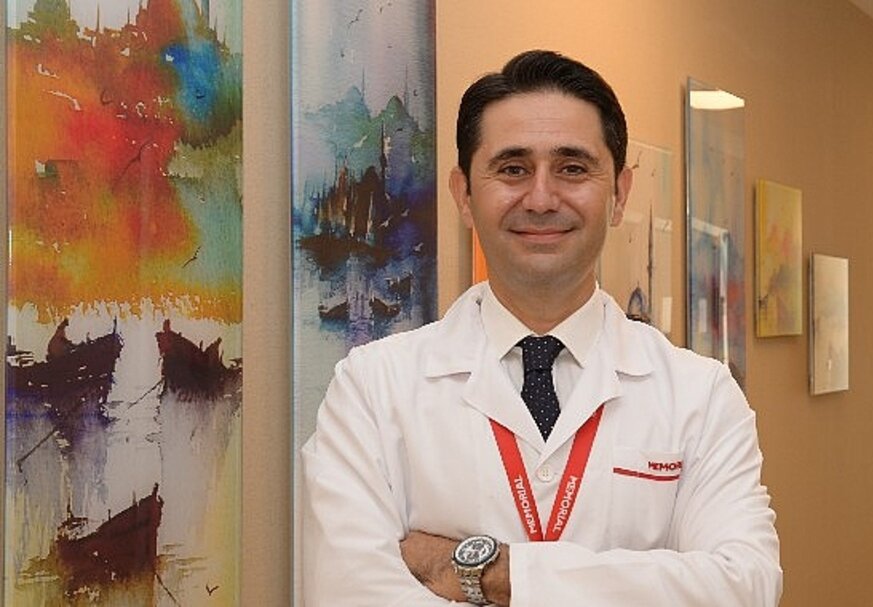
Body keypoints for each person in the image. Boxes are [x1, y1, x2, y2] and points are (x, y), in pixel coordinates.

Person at [302, 49, 782, 606]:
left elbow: (743, 587)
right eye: (512, 169)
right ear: (464, 195)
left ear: (620, 194)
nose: (541, 198)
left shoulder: (701, 395)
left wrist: (497, 573)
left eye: (572, 168)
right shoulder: (370, 388)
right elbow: (346, 594)